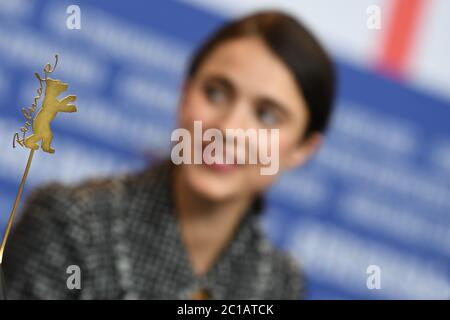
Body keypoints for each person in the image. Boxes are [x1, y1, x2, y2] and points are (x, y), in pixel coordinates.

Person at [3, 10, 335, 299]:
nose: (229, 129)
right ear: (184, 95)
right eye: (216, 93)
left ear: (303, 149)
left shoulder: (280, 283)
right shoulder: (69, 224)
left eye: (267, 115)